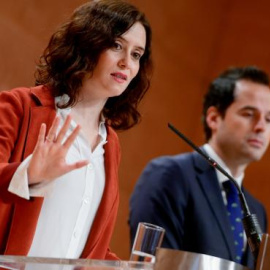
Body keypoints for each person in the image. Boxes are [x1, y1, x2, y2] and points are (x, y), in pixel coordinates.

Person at [0, 0, 152, 260]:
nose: (127, 63)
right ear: (87, 43)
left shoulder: (110, 144)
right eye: (117, 46)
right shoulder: (19, 106)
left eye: (136, 54)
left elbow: (89, 246)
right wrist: (28, 174)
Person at [129, 66, 270, 269]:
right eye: (249, 114)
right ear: (213, 118)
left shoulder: (257, 210)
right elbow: (155, 264)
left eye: (268, 119)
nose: (261, 127)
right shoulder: (170, 175)